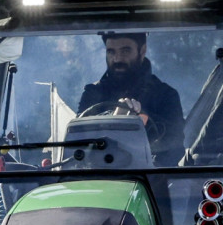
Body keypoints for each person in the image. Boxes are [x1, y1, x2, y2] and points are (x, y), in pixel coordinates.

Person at [77, 32, 184, 167]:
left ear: (142, 50)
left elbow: (174, 148)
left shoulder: (166, 95)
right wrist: (114, 117)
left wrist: (143, 120)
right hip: (97, 178)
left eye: (125, 51)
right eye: (111, 52)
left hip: (149, 180)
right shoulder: (92, 93)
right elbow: (78, 142)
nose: (117, 59)